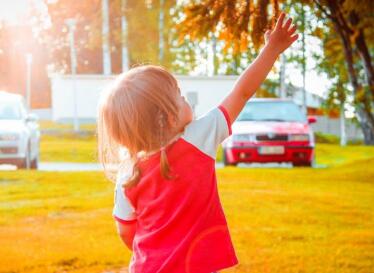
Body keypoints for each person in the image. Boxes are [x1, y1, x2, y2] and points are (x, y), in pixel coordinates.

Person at [97, 12, 298, 273]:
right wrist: (271, 50)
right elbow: (242, 92)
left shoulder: (128, 173)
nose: (186, 99)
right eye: (180, 97)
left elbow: (126, 231)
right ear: (168, 118)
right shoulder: (198, 138)